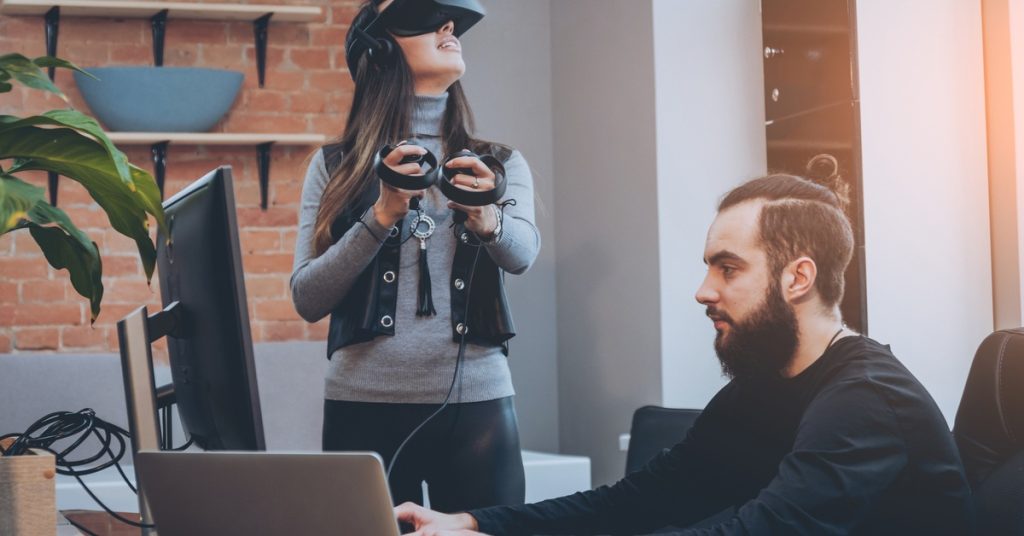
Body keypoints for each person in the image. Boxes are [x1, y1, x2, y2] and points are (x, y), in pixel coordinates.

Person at [395, 173, 974, 535]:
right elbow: (641, 500)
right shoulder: (765, 385)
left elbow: (762, 531)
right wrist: (474, 523)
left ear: (797, 278)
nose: (703, 290)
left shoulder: (865, 400)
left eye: (728, 268)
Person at [289, 0, 539, 512]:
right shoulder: (334, 166)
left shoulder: (501, 164)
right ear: (379, 49)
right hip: (360, 405)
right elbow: (308, 297)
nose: (448, 27)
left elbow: (522, 256)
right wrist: (380, 216)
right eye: (424, 16)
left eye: (451, 21)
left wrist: (485, 216)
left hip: (478, 408)